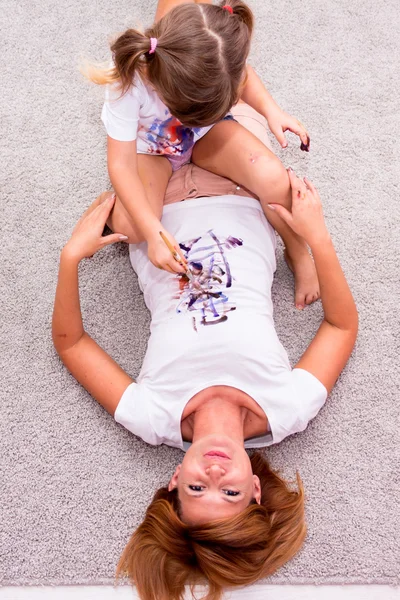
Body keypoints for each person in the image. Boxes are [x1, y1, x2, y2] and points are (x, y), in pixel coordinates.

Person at [52, 143, 358, 599]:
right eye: (230, 494)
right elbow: (341, 325)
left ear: (174, 480)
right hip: (244, 189)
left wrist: (70, 259)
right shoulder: (288, 409)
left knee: (153, 108)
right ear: (254, 489)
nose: (214, 477)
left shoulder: (153, 417)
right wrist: (317, 238)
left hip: (152, 212)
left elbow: (72, 344)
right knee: (214, 91)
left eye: (197, 488)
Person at [82, 0, 320, 309]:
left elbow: (243, 76)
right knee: (134, 226)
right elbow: (121, 164)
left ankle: (297, 249)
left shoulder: (212, 53)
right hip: (152, 154)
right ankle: (108, 207)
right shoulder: (127, 85)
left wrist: (272, 111)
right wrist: (154, 234)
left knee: (272, 176)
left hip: (205, 135)